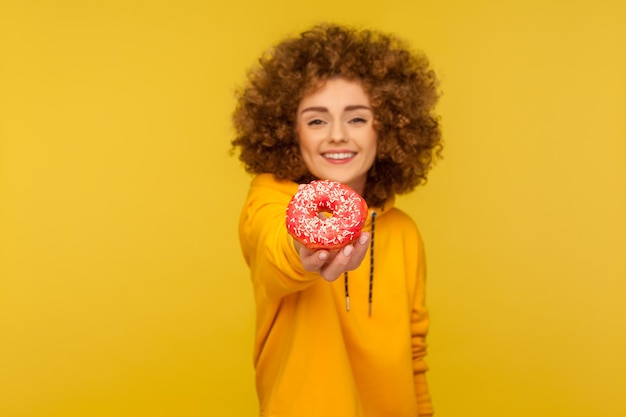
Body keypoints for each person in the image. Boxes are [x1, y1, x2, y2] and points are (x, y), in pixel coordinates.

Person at [231, 23, 442, 417]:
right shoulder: (269, 199)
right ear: (289, 132)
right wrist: (302, 249)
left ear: (390, 128)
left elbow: (414, 354)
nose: (337, 135)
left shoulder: (404, 232)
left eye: (358, 119)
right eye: (316, 120)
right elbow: (273, 245)